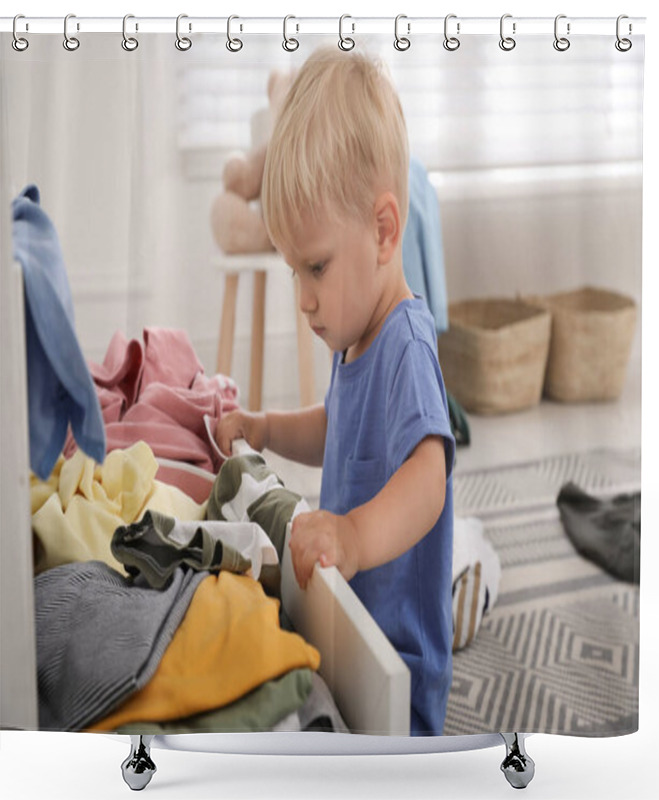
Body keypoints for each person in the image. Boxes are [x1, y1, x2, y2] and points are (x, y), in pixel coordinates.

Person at [214, 46, 455, 737]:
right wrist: (263, 428)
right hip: (350, 626)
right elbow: (336, 429)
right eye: (295, 272)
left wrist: (352, 534)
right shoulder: (355, 341)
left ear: (383, 231)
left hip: (395, 663)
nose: (304, 299)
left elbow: (427, 476)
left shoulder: (405, 342)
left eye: (315, 266)